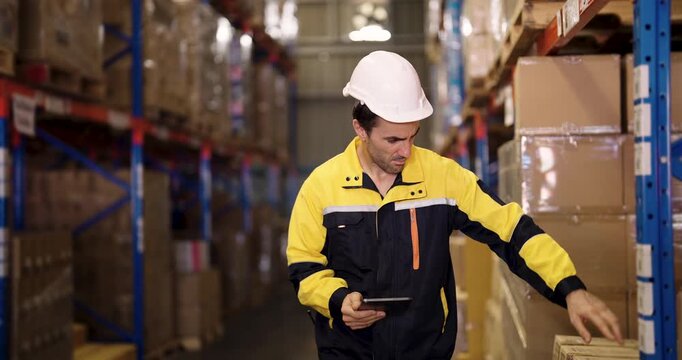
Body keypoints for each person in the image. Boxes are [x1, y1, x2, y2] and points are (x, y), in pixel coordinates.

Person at [286, 51, 623, 360]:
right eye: (392, 140)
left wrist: (570, 289)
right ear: (360, 128)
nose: (405, 151)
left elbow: (512, 231)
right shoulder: (322, 186)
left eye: (412, 136)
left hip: (425, 351)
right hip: (349, 352)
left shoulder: (443, 178)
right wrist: (337, 300)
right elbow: (304, 268)